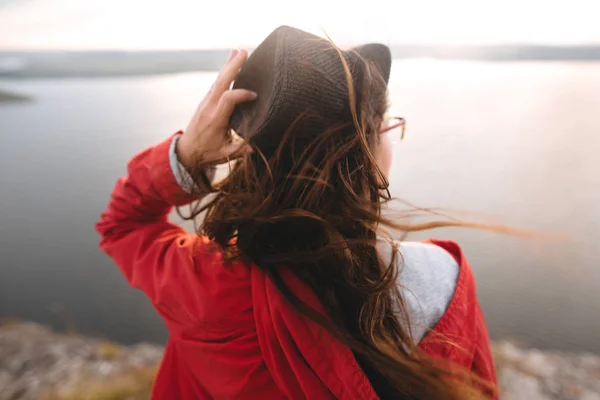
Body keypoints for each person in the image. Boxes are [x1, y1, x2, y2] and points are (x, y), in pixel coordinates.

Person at [96, 26, 497, 400]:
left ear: (253, 157)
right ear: (366, 151)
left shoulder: (203, 284)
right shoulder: (442, 281)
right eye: (388, 128)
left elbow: (121, 224)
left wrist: (187, 155)